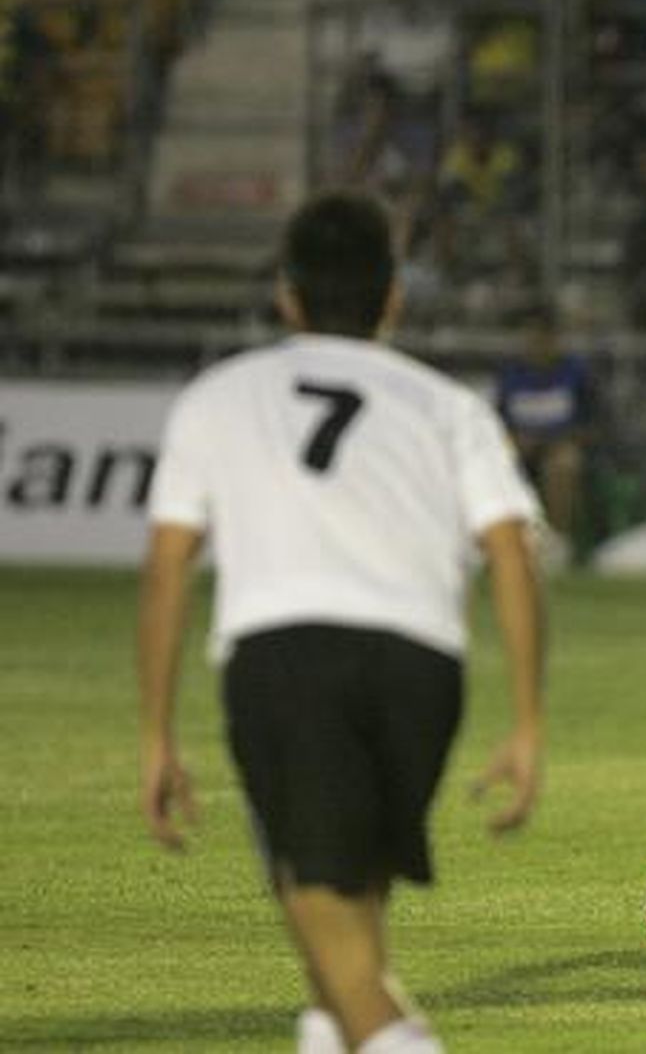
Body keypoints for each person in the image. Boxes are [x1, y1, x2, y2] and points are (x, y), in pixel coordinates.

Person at [137, 191, 546, 1054]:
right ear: (393, 294)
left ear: (287, 293)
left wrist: (156, 735)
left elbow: (169, 566)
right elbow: (511, 549)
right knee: (352, 928)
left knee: (334, 943)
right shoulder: (447, 404)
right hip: (421, 672)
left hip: (289, 662)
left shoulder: (219, 398)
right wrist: (527, 723)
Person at [495, 301, 600, 558]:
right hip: (520, 450)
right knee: (499, 461)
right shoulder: (511, 375)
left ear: (555, 339)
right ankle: (503, 542)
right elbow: (495, 424)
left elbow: (594, 424)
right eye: (531, 336)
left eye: (543, 337)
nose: (536, 343)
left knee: (563, 463)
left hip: (560, 447)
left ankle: (557, 541)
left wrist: (554, 439)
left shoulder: (576, 373)